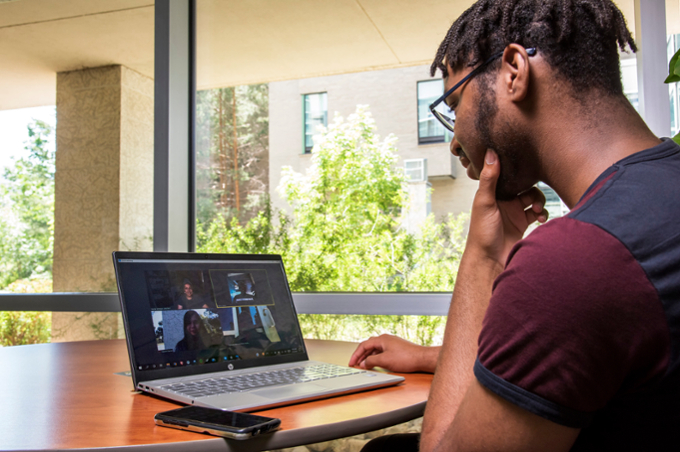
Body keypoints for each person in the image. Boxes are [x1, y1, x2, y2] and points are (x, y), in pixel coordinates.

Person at [349, 1, 680, 450]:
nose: (453, 141)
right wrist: (433, 356)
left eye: (455, 102)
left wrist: (483, 257)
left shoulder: (578, 256)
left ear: (513, 72)